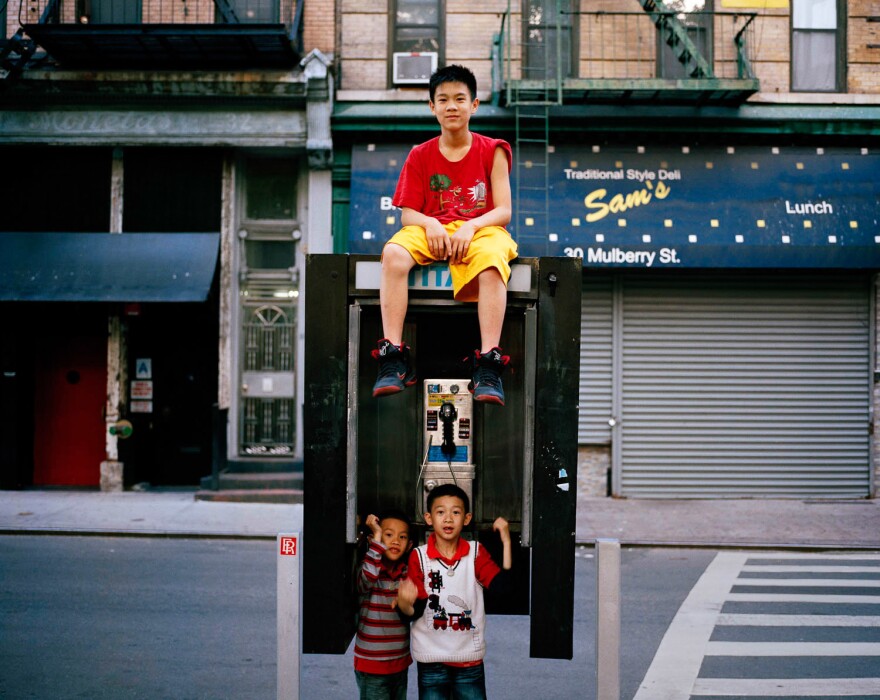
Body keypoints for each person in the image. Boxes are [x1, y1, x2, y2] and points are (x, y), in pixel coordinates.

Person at [372, 64, 518, 406]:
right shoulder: (419, 154)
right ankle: (392, 357)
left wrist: (470, 225)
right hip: (432, 230)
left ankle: (488, 363)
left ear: (475, 105)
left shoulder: (493, 149)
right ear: (432, 107)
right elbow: (407, 212)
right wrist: (431, 224)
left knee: (493, 262)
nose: (452, 106)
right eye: (443, 99)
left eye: (459, 98)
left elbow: (504, 211)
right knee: (393, 254)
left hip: (480, 232)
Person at [397, 484, 512, 699]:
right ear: (429, 518)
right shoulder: (418, 557)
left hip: (468, 661)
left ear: (466, 518)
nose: (448, 519)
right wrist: (405, 601)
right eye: (441, 512)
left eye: (455, 512)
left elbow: (503, 588)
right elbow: (414, 610)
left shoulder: (476, 553)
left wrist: (505, 541)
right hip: (431, 661)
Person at [354, 509, 415, 700]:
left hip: (399, 663)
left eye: (402, 537)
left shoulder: (407, 573)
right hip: (371, 664)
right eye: (388, 535)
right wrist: (377, 539)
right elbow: (366, 580)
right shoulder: (369, 568)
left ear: (409, 545)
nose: (396, 540)